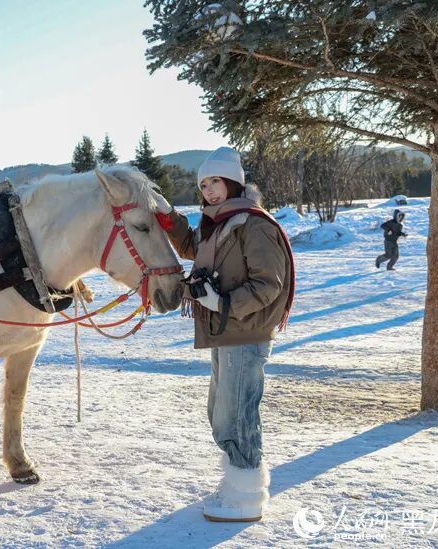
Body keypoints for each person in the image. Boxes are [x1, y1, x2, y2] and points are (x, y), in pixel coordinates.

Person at [161, 147, 294, 522]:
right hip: (226, 332)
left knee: (236, 416)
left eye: (215, 181)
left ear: (232, 182)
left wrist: (222, 303)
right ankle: (239, 483)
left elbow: (269, 284)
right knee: (220, 414)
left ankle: (246, 498)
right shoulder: (218, 224)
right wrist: (167, 216)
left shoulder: (253, 224)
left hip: (244, 332)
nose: (209, 190)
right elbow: (192, 246)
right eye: (203, 184)